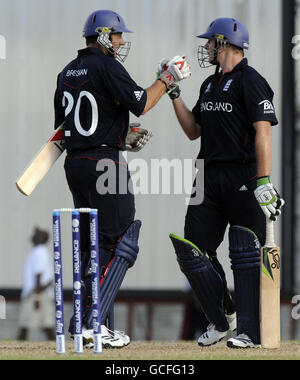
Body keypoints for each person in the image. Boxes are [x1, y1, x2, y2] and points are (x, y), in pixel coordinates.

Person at [53, 9, 191, 348]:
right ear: (102, 36)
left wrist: (119, 135)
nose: (121, 41)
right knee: (122, 241)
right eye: (117, 36)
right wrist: (168, 78)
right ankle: (91, 323)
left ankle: (87, 324)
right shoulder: (106, 65)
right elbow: (141, 102)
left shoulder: (66, 72)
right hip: (105, 164)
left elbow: (67, 125)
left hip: (76, 163)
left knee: (92, 246)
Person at [166, 18, 284, 349]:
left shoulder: (252, 81)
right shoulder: (208, 84)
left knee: (246, 253)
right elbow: (193, 130)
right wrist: (174, 93)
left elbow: (263, 130)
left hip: (244, 175)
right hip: (208, 175)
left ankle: (249, 331)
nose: (205, 48)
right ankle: (222, 318)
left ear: (225, 43)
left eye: (209, 42)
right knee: (194, 250)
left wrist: (263, 180)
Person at [17, 228, 55, 341]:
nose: (32, 237)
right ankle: (55, 348)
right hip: (38, 292)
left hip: (37, 293)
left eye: (36, 235)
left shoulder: (39, 252)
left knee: (26, 324)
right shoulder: (40, 251)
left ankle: (19, 350)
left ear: (41, 238)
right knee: (46, 325)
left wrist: (37, 297)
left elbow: (38, 274)